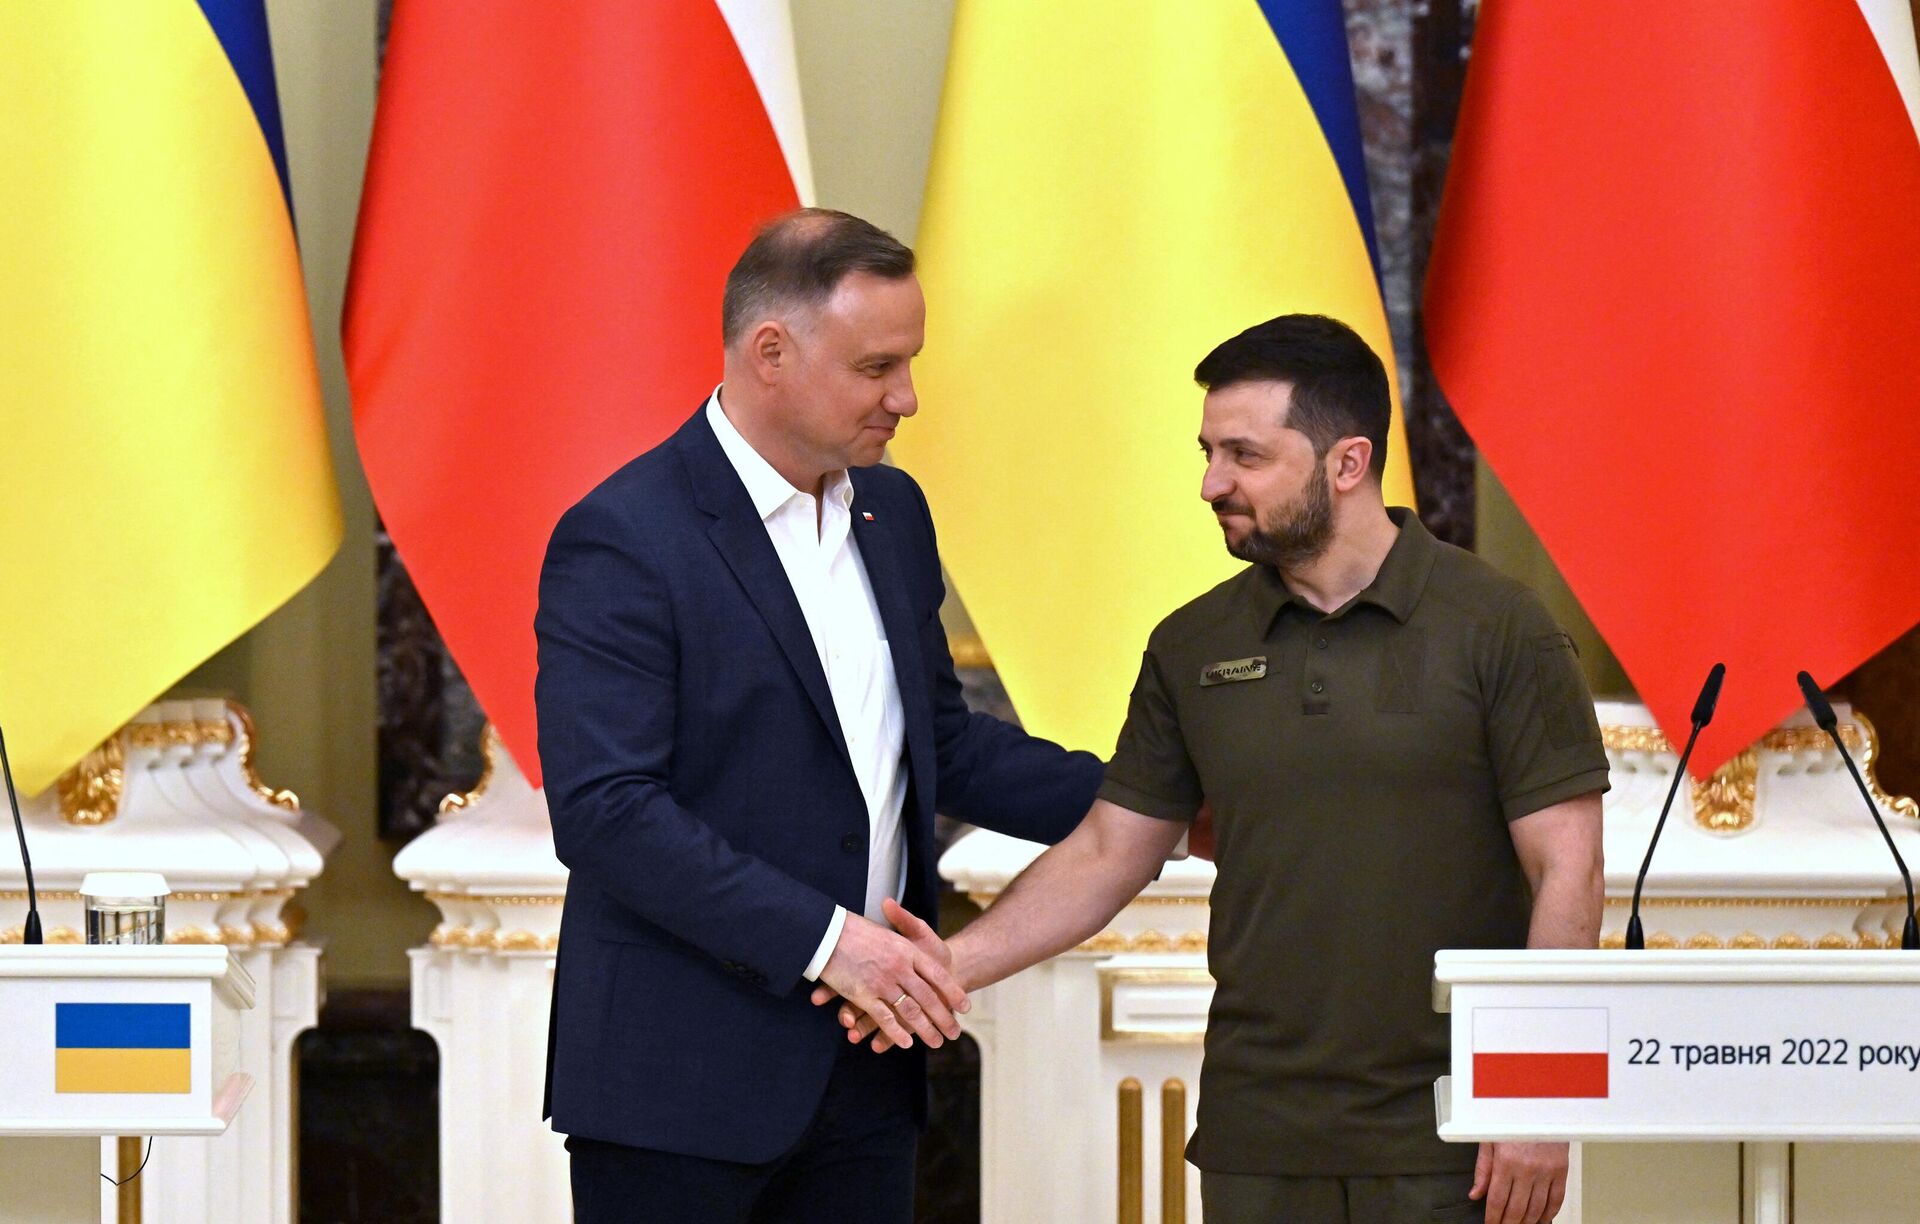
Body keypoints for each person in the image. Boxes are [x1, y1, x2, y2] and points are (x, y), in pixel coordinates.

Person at [831, 314, 1609, 1224]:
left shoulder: (1499, 626)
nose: (1211, 483)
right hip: (1256, 1136)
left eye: (1244, 455)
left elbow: (1570, 867)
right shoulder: (1192, 644)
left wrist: (1536, 1096)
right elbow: (1106, 855)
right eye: (1208, 452)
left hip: (1455, 1135)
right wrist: (945, 966)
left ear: (1347, 464)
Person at [535, 208, 1104, 1223]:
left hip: (865, 1082)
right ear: (770, 353)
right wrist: (830, 942)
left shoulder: (894, 517)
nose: (908, 398)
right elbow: (608, 811)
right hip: (678, 1089)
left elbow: (943, 743)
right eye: (877, 367)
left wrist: (1145, 797)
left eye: (909, 364)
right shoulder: (622, 536)